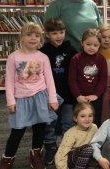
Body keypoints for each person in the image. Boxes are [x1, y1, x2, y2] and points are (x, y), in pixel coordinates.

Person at [0, 22, 59, 169]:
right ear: (21, 37)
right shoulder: (13, 57)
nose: (33, 38)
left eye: (37, 35)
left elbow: (50, 79)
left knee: (39, 129)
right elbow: (10, 81)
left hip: (40, 96)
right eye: (29, 35)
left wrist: (52, 99)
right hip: (21, 99)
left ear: (41, 38)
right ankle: (8, 158)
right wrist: (10, 101)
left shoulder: (42, 57)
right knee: (18, 130)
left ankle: (36, 154)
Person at [40, 18, 78, 164]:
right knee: (49, 122)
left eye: (61, 32)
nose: (59, 36)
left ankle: (65, 147)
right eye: (54, 33)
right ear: (48, 34)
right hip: (50, 95)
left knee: (67, 123)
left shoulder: (71, 50)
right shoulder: (43, 52)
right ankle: (50, 147)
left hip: (68, 94)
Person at [69, 29, 107, 127]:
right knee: (79, 121)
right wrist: (78, 96)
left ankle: (95, 141)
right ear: (82, 42)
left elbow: (103, 79)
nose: (91, 48)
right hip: (79, 97)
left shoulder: (101, 59)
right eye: (88, 44)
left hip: (95, 98)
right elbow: (72, 79)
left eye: (95, 45)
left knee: (95, 121)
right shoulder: (76, 59)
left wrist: (96, 95)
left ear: (99, 45)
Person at [54, 102, 98, 169]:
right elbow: (61, 155)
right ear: (75, 118)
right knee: (88, 148)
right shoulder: (70, 134)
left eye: (90, 116)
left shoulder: (94, 127)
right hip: (72, 159)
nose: (87, 119)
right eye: (82, 116)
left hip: (86, 158)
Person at [97, 24, 110, 123]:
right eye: (103, 37)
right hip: (101, 87)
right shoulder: (96, 53)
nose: (107, 40)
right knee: (104, 109)